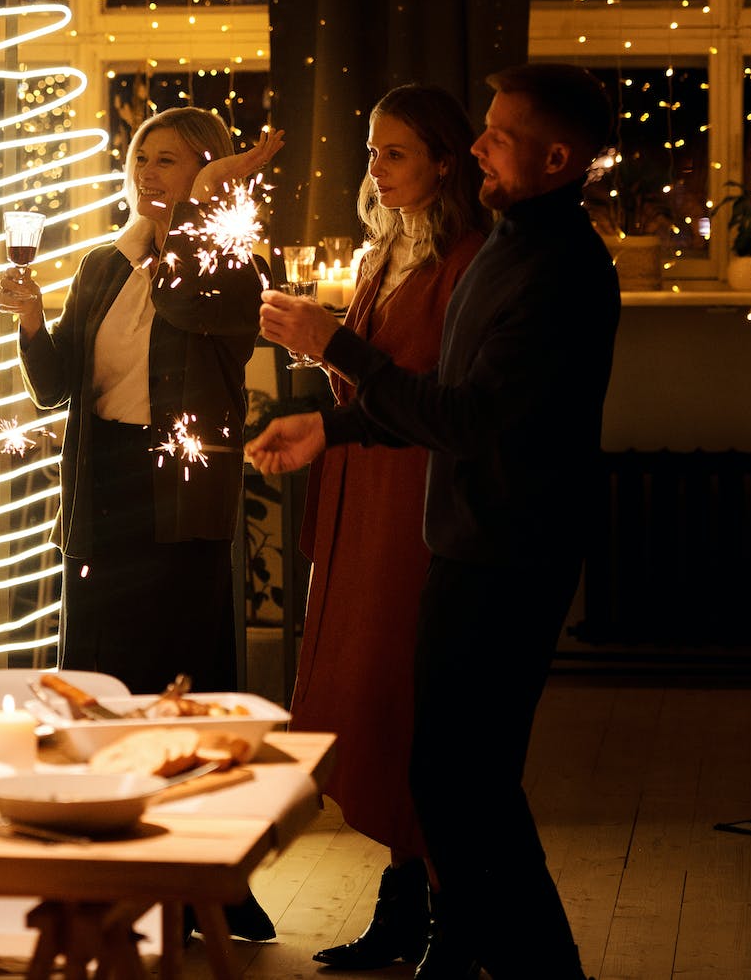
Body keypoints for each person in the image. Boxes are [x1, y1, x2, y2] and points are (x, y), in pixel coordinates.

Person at [248, 64, 619, 980]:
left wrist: (332, 346)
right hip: (466, 543)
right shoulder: (511, 246)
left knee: (467, 787)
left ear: (558, 157)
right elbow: (438, 400)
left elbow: (463, 420)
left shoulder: (558, 270)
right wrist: (328, 425)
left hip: (509, 554)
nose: (480, 148)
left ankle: (504, 959)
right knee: (453, 782)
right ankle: (482, 955)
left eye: (499, 136)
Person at [260, 85, 489, 973]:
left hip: (411, 501)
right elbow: (365, 378)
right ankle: (401, 905)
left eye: (396, 153)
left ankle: (446, 916)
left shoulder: (463, 261)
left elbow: (426, 392)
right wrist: (321, 367)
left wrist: (335, 350)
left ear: (444, 160)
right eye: (370, 151)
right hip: (362, 486)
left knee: (404, 696)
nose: (377, 169)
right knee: (366, 691)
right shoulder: (385, 249)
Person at [0, 108, 283, 696]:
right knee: (97, 671)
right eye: (141, 160)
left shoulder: (237, 268)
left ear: (209, 171)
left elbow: (182, 302)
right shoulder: (102, 265)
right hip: (102, 482)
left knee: (174, 671)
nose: (147, 173)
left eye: (168, 161)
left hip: (181, 486)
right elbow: (54, 389)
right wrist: (31, 320)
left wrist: (203, 200)